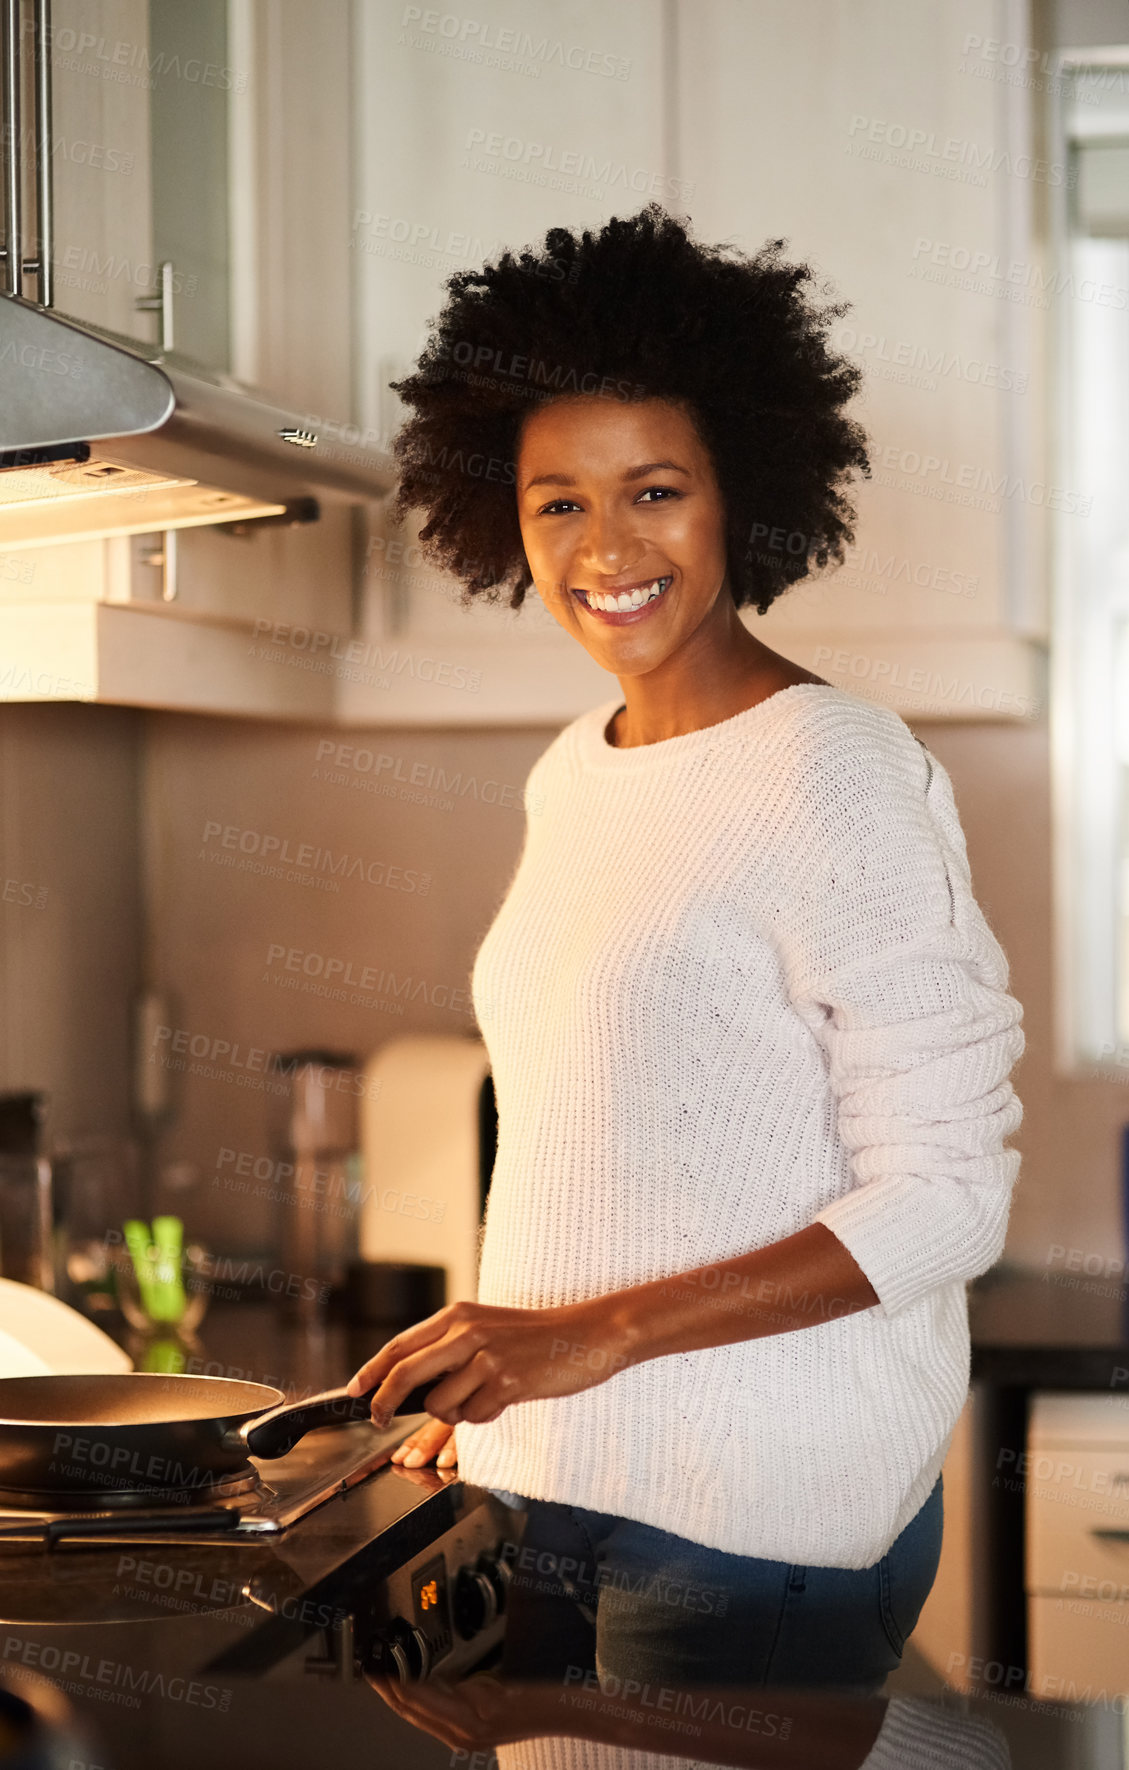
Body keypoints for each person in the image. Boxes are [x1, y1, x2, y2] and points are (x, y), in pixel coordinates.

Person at [347, 204, 1025, 1691]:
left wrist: (581, 1337)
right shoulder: (573, 766)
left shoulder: (836, 770)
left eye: (653, 490)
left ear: (741, 496)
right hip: (548, 1481)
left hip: (747, 1515)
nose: (607, 550)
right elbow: (592, 1139)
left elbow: (948, 1197)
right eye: (556, 505)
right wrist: (500, 1379)